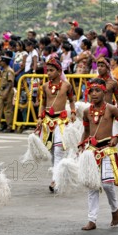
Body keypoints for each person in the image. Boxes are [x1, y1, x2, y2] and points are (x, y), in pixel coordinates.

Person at [79, 79, 118, 230]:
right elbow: (86, 131)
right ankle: (92, 220)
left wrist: (117, 137)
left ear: (104, 92)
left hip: (107, 150)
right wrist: (81, 145)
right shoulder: (87, 111)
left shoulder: (112, 109)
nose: (94, 94)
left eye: (97, 90)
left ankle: (115, 209)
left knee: (107, 184)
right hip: (91, 151)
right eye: (91, 91)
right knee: (92, 186)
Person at [38, 58, 76, 193]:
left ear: (59, 71)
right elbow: (42, 103)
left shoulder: (66, 85)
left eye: (51, 70)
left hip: (61, 121)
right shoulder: (44, 86)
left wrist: (73, 112)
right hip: (48, 121)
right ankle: (58, 175)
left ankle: (55, 180)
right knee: (52, 151)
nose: (48, 73)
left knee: (59, 149)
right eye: (47, 70)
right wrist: (39, 117)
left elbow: (72, 100)